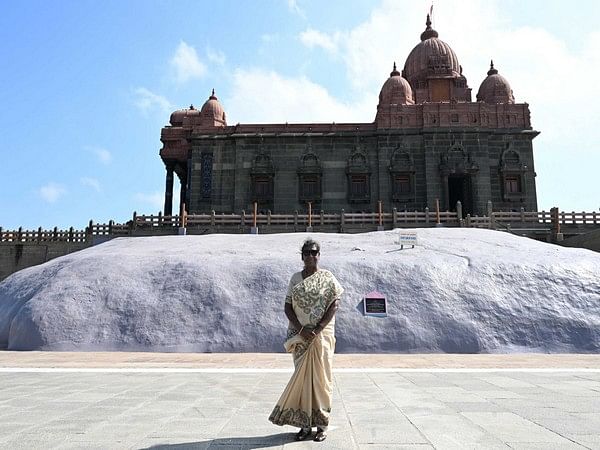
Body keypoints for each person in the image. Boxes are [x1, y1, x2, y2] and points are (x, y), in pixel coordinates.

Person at [268, 238, 344, 442]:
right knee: (302, 380)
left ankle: (321, 425)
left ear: (319, 255)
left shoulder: (327, 277)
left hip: (322, 337)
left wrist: (317, 329)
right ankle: (304, 425)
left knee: (321, 380)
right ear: (302, 256)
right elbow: (287, 306)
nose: (311, 256)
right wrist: (302, 329)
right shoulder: (295, 279)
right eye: (307, 253)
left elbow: (335, 304)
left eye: (314, 252)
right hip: (301, 337)